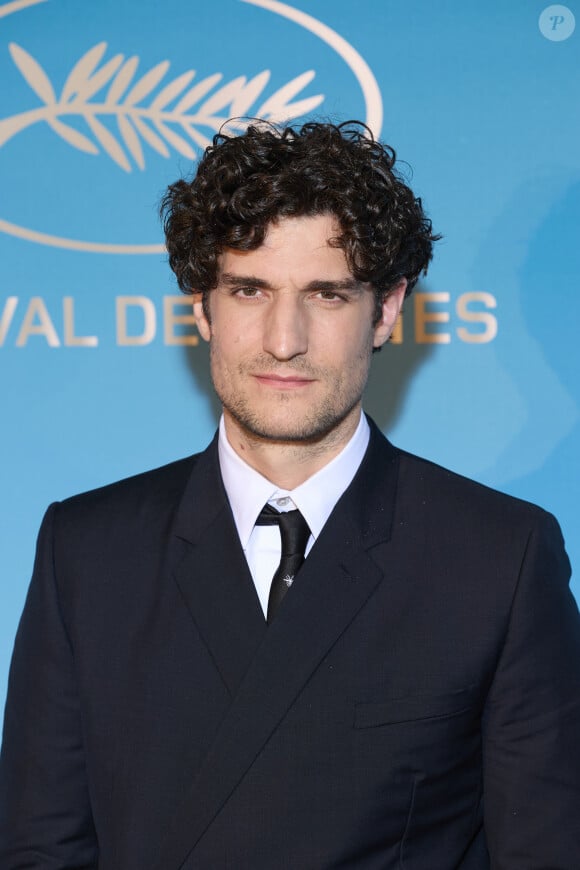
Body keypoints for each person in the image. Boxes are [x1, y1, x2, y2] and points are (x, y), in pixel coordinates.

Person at [1, 121, 579, 870]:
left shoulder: (498, 558)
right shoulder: (87, 552)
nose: (284, 339)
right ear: (202, 306)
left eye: (327, 294)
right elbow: (40, 849)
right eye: (250, 290)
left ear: (387, 310)